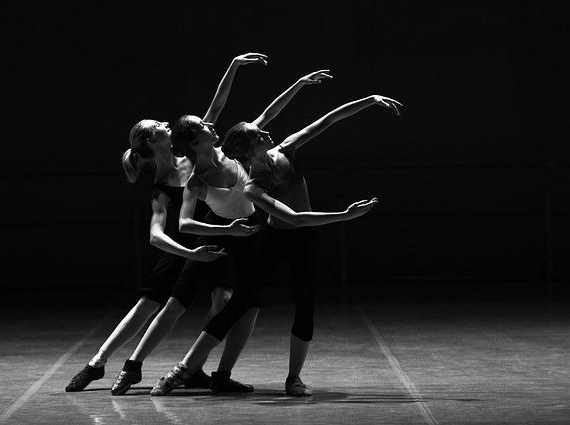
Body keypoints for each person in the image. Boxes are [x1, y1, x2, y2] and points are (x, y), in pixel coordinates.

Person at [151, 90, 402, 397]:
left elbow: (328, 119)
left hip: (305, 239)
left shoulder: (286, 149)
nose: (267, 132)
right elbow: (293, 218)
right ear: (250, 149)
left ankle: (293, 378)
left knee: (305, 305)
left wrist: (369, 100)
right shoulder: (254, 188)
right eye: (259, 135)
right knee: (240, 302)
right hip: (276, 239)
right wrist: (345, 215)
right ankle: (182, 370)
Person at [65, 52, 267, 394]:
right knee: (151, 304)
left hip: (212, 236)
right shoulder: (161, 188)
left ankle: (197, 367)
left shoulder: (191, 157)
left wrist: (232, 66)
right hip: (183, 245)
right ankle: (98, 364)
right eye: (159, 126)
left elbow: (215, 109)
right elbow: (157, 236)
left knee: (223, 297)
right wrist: (189, 252)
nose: (166, 124)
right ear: (150, 141)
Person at [148, 69, 335, 395]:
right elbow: (184, 225)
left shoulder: (230, 151)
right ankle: (176, 369)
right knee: (202, 301)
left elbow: (265, 113)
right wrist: (227, 230)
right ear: (194, 142)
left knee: (250, 305)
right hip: (227, 237)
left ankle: (222, 374)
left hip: (253, 234)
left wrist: (296, 84)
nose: (211, 125)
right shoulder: (197, 178)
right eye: (204, 127)